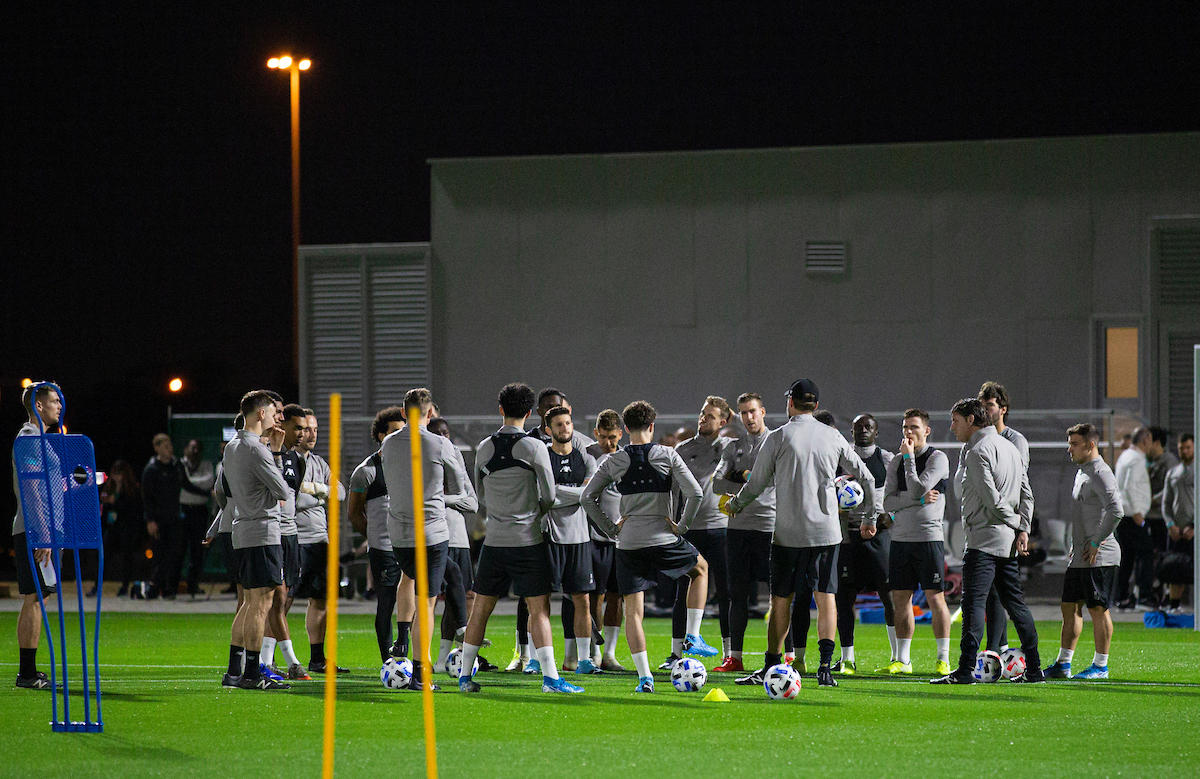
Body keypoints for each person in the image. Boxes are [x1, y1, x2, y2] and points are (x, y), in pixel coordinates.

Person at [723, 379, 877, 689]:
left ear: (790, 403)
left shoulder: (779, 437)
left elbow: (756, 485)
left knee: (781, 600)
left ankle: (771, 666)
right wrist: (869, 516)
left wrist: (735, 504)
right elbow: (868, 477)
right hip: (826, 533)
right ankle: (824, 669)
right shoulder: (832, 436)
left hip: (788, 534)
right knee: (826, 598)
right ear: (816, 406)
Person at [458, 383, 583, 694]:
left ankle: (463, 677)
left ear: (501, 410)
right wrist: (531, 511)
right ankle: (552, 679)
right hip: (527, 540)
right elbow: (551, 496)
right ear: (530, 413)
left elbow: (480, 495)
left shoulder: (485, 447)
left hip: (494, 541)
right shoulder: (534, 447)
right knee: (538, 609)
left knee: (481, 610)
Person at [581, 400, 709, 693]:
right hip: (664, 537)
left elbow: (587, 498)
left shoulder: (614, 460)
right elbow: (696, 494)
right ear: (652, 426)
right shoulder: (667, 454)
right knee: (700, 569)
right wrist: (682, 526)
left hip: (628, 544)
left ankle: (644, 678)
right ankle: (692, 635)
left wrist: (611, 528)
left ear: (625, 429)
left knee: (633, 612)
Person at [933, 398, 1041, 684]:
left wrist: (1016, 522)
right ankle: (1035, 669)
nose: (952, 427)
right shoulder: (1010, 446)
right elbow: (1027, 494)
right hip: (1007, 542)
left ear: (971, 420)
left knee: (973, 605)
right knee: (1016, 605)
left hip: (983, 540)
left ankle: (966, 670)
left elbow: (991, 499)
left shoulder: (978, 450)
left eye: (955, 421)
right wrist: (1023, 528)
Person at [381, 388, 469, 690]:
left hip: (399, 535)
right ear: (430, 414)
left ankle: (402, 642)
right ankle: (421, 673)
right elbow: (465, 489)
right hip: (432, 533)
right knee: (427, 603)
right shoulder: (440, 444)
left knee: (407, 578)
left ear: (404, 413)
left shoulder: (388, 445)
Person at [1045, 423, 1124, 680]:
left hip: (1099, 555)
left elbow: (1116, 510)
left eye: (1074, 444)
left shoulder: (1101, 472)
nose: (1070, 449)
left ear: (1090, 445)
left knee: (1098, 609)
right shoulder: (1083, 471)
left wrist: (1095, 541)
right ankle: (1063, 664)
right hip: (1080, 555)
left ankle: (1101, 666)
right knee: (1069, 606)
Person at [223, 390, 290, 690]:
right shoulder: (256, 449)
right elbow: (282, 491)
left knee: (249, 603)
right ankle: (252, 673)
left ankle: (234, 672)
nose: (277, 417)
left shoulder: (232, 446)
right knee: (261, 603)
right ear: (260, 413)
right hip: (262, 530)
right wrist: (276, 451)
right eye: (274, 412)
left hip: (242, 529)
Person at [663, 396, 731, 668]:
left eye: (710, 416)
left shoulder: (731, 448)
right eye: (703, 414)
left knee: (726, 592)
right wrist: (670, 521)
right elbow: (672, 491)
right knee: (683, 589)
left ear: (722, 422)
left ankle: (730, 654)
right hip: (690, 530)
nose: (703, 419)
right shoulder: (682, 449)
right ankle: (676, 653)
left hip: (722, 529)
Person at [883, 409, 952, 675]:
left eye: (913, 427)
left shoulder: (938, 458)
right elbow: (887, 502)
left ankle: (943, 658)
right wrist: (919, 501)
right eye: (905, 428)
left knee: (936, 599)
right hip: (900, 539)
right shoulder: (896, 462)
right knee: (900, 598)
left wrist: (910, 460)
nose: (908, 432)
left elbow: (914, 488)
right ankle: (903, 660)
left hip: (928, 538)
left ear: (926, 431)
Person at [713, 392, 776, 674]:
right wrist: (742, 475)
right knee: (735, 595)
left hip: (770, 528)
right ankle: (734, 658)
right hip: (737, 529)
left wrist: (743, 477)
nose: (749, 418)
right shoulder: (733, 448)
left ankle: (784, 656)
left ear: (763, 411)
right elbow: (716, 484)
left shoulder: (778, 442)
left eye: (753, 411)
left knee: (779, 596)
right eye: (743, 413)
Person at [541, 406, 603, 674]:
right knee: (539, 601)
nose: (565, 428)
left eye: (567, 423)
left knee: (582, 601)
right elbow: (541, 495)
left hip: (579, 539)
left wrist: (558, 494)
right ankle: (536, 660)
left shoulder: (585, 457)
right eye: (558, 424)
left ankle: (584, 661)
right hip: (549, 537)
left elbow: (590, 494)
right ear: (548, 430)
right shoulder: (542, 457)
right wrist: (577, 494)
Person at [428, 417, 493, 673]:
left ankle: (443, 660)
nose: (444, 437)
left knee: (463, 597)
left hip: (458, 537)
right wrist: (454, 499)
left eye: (446, 432)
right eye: (438, 433)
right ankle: (420, 656)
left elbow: (473, 503)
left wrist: (441, 499)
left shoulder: (455, 458)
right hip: (432, 536)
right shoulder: (424, 462)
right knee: (430, 600)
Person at [832, 413, 894, 674]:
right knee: (844, 598)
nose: (863, 431)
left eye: (868, 427)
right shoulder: (842, 460)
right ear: (852, 432)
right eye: (858, 428)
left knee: (889, 596)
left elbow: (901, 495)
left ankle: (899, 656)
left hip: (879, 537)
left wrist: (891, 516)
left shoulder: (888, 460)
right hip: (849, 538)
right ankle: (848, 659)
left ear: (876, 433)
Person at [12, 382, 63, 689]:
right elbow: (31, 487)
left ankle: (29, 671)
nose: (59, 405)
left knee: (39, 597)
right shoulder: (29, 436)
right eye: (54, 401)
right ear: (39, 406)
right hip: (35, 529)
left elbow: (47, 484)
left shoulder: (42, 438)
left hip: (42, 527)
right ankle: (27, 674)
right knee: (34, 598)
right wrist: (43, 533)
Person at [347, 407, 407, 666]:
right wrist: (374, 537)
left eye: (402, 432)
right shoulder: (366, 470)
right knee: (387, 602)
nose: (398, 437)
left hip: (411, 546)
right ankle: (388, 662)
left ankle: (410, 657)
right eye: (393, 432)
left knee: (413, 603)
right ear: (380, 435)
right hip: (384, 549)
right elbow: (354, 513)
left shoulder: (411, 465)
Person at [978, 381, 1030, 654]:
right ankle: (1002, 647)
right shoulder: (980, 440)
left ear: (1003, 409)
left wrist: (1022, 526)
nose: (986, 411)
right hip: (986, 524)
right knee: (991, 591)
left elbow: (1021, 486)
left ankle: (998, 650)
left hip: (1006, 524)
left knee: (1004, 593)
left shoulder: (1015, 440)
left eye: (990, 406)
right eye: (983, 406)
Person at [291, 408, 345, 674]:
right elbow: (294, 502)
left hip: (320, 541)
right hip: (296, 539)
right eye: (306, 429)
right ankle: (269, 657)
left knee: (321, 600)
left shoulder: (319, 462)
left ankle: (317, 659)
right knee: (283, 601)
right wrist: (323, 494)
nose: (311, 434)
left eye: (314, 429)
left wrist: (314, 488)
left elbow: (341, 493)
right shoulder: (288, 460)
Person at [264, 403, 310, 681]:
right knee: (277, 598)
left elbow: (292, 498)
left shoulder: (297, 459)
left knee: (285, 601)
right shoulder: (267, 454)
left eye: (305, 428)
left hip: (291, 535)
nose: (303, 433)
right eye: (298, 428)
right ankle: (292, 662)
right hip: (272, 534)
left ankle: (265, 660)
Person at [585, 409, 627, 672]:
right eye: (603, 437)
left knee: (617, 596)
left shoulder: (627, 457)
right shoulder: (588, 456)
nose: (608, 443)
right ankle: (594, 652)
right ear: (595, 434)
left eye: (613, 437)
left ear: (621, 434)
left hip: (622, 541)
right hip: (594, 538)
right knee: (595, 596)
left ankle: (610, 653)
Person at [142, 433, 186, 600]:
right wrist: (150, 520)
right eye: (166, 446)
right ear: (157, 448)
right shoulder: (151, 470)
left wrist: (207, 492)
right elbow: (147, 498)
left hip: (173, 518)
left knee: (173, 553)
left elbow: (186, 484)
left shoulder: (176, 466)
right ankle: (155, 587)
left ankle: (168, 586)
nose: (170, 450)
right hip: (159, 520)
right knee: (159, 554)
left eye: (170, 446)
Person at [1115, 427, 1155, 610]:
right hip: (1133, 516)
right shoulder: (1137, 460)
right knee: (1145, 555)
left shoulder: (1125, 456)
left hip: (1124, 516)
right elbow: (1129, 486)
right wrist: (1138, 511)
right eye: (1151, 441)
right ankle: (1143, 596)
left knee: (1127, 558)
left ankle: (1121, 597)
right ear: (1145, 440)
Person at [100, 459, 144, 597]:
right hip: (113, 528)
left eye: (120, 474)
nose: (117, 478)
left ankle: (125, 586)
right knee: (104, 556)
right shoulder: (110, 488)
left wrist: (116, 502)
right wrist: (107, 502)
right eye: (115, 474)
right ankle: (97, 585)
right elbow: (105, 509)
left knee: (127, 558)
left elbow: (133, 510)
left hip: (127, 528)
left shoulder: (132, 489)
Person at [1161, 434, 1195, 613]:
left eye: (1188, 447)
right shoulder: (1172, 473)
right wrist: (1170, 524)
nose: (1185, 451)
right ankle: (1175, 606)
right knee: (1175, 569)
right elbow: (1166, 503)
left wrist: (1195, 527)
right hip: (1176, 531)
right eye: (1182, 448)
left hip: (1193, 530)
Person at [179, 439, 215, 597]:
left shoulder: (206, 465)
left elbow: (208, 481)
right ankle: (175, 584)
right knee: (179, 549)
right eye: (192, 447)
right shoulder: (180, 464)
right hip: (183, 511)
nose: (195, 451)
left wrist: (190, 484)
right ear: (186, 448)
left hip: (200, 512)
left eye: (198, 449)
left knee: (198, 549)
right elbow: (182, 484)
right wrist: (201, 488)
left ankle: (193, 585)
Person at [1145, 427, 1177, 604]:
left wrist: (1152, 499)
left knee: (1163, 554)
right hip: (1148, 514)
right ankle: (1151, 589)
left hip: (1160, 517)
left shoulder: (1169, 461)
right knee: (1150, 555)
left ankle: (1164, 592)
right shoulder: (1148, 461)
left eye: (1148, 440)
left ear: (1157, 443)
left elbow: (1169, 489)